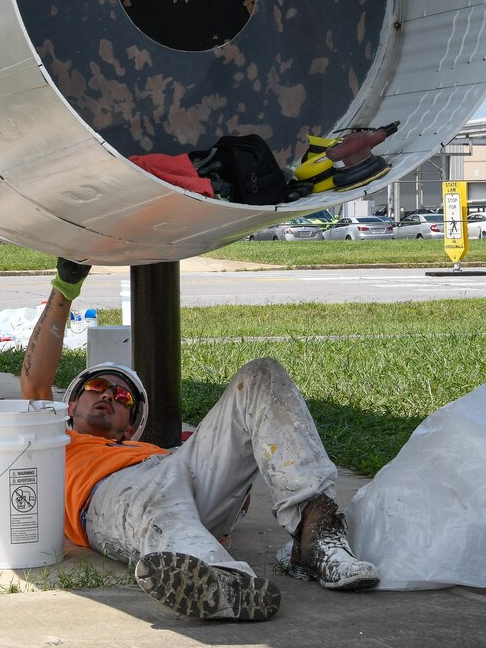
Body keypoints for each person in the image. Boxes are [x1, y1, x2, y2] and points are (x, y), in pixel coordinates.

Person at [20, 258, 379, 622]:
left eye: (123, 397)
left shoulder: (148, 449)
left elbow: (227, 486)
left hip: (173, 466)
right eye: (98, 387)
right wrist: (64, 289)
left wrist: (234, 485)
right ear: (72, 403)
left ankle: (315, 533)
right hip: (112, 494)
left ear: (130, 428)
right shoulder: (55, 438)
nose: (110, 395)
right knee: (158, 506)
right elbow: (34, 383)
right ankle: (224, 580)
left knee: (260, 374)